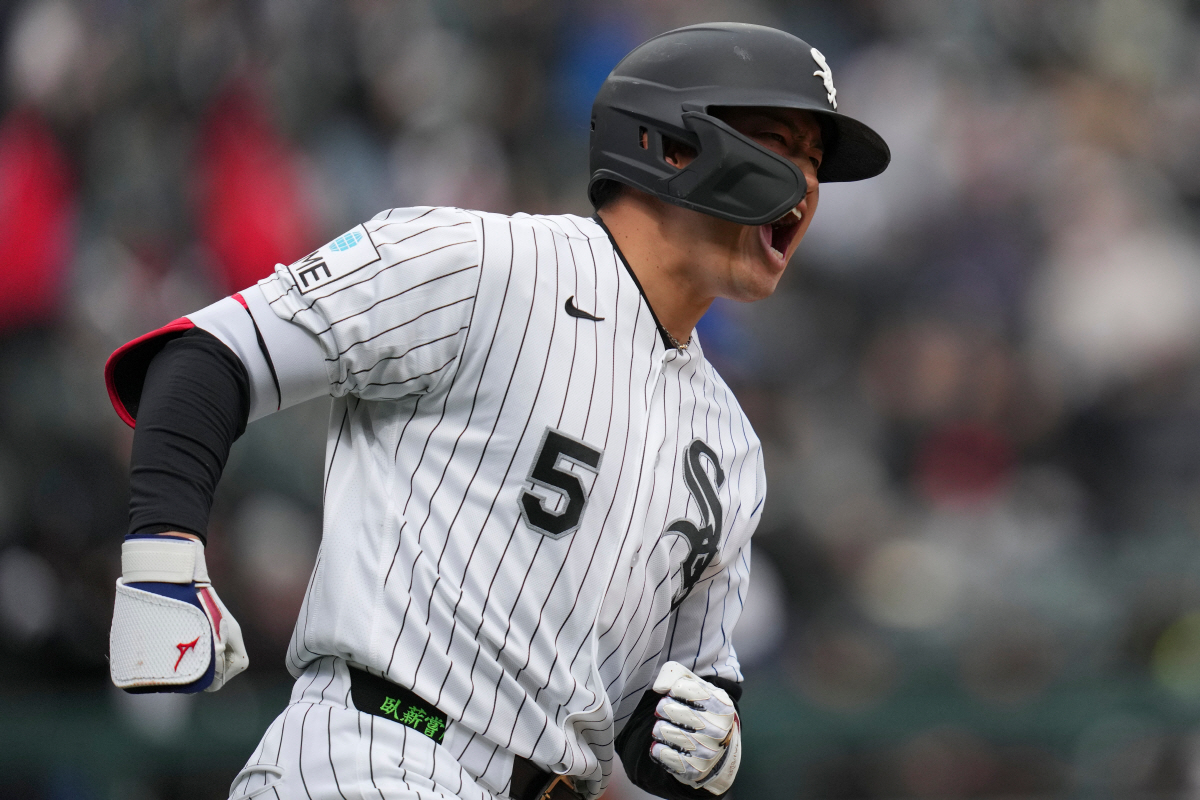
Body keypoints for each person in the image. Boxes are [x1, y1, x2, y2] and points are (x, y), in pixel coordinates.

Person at [104, 22, 888, 800]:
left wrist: (705, 742)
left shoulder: (731, 446)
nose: (807, 186)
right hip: (377, 754)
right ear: (672, 146)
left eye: (817, 162)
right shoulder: (485, 263)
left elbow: (659, 715)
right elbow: (209, 353)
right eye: (782, 144)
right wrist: (161, 553)